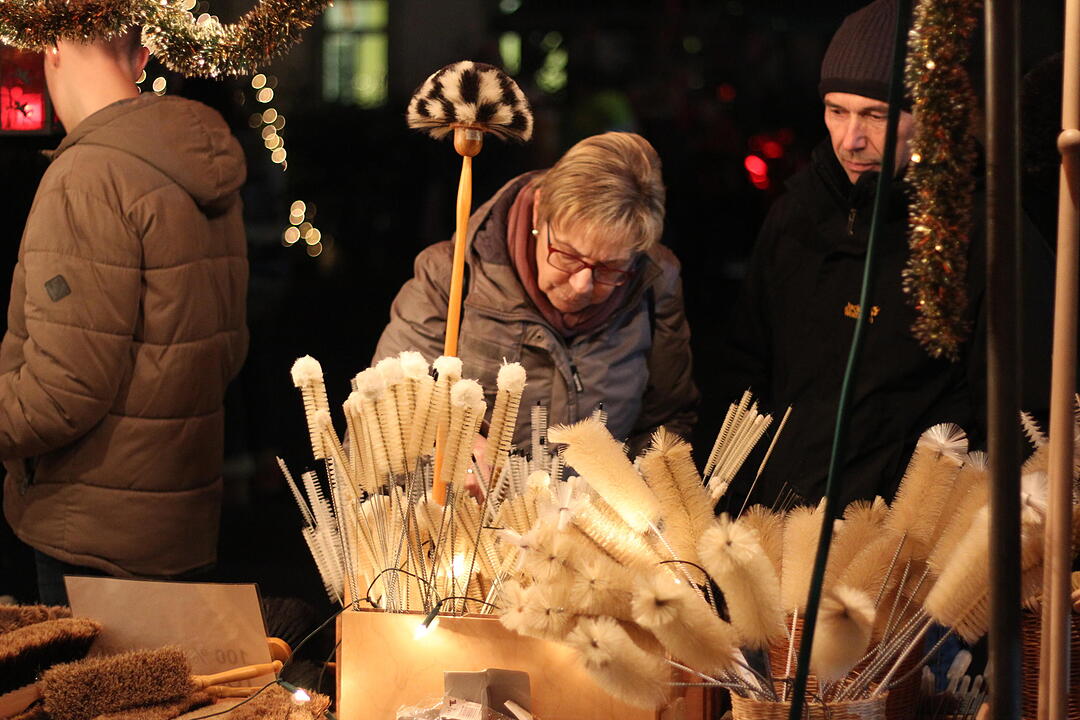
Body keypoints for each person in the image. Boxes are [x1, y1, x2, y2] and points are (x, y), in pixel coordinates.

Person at [718, 0, 1054, 512]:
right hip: (775, 529)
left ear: (931, 118)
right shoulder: (795, 217)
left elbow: (1021, 422)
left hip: (905, 548)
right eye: (837, 111)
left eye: (876, 115)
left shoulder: (985, 235)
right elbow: (745, 377)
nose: (851, 140)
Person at [1, 29, 249, 604]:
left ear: (54, 46)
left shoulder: (88, 175)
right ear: (140, 57)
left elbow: (62, 392)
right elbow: (228, 348)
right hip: (179, 521)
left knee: (91, 693)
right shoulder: (197, 160)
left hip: (91, 528)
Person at [374, 132, 699, 455]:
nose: (582, 284)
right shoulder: (451, 275)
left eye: (609, 268)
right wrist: (452, 451)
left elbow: (667, 422)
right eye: (568, 255)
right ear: (539, 211)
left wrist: (638, 488)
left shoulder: (657, 281)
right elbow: (383, 410)